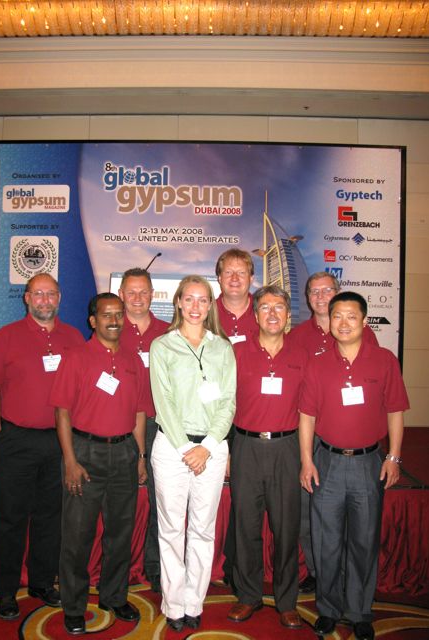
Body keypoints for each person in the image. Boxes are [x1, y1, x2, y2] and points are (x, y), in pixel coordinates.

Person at [299, 292, 409, 640]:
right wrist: (306, 460)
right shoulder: (317, 364)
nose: (343, 323)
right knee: (326, 541)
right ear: (329, 321)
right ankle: (329, 609)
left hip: (368, 464)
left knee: (364, 540)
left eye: (351, 316)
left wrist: (393, 456)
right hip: (327, 462)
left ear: (364, 320)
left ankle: (360, 610)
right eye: (337, 316)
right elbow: (307, 417)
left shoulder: (384, 360)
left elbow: (395, 411)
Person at [0, 273, 85, 620]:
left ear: (59, 297)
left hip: (59, 441)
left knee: (51, 517)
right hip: (15, 441)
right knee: (10, 518)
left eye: (50, 294)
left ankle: (41, 582)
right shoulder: (6, 337)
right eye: (37, 294)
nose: (44, 300)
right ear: (26, 298)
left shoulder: (73, 338)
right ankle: (7, 590)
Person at [50, 293, 147, 635]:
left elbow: (140, 411)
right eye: (107, 315)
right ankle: (74, 606)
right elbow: (62, 412)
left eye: (119, 314)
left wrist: (139, 456)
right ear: (93, 321)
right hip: (85, 454)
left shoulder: (133, 359)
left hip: (124, 454)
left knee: (120, 533)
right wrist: (70, 461)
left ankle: (113, 596)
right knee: (78, 535)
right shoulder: (76, 357)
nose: (114, 320)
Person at [149, 275, 236, 632]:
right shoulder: (162, 346)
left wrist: (207, 447)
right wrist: (188, 449)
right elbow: (163, 401)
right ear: (179, 303)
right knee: (171, 529)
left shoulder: (222, 348)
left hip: (212, 449)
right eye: (190, 299)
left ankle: (193, 601)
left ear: (210, 305)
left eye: (203, 300)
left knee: (202, 529)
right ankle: (173, 604)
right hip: (172, 448)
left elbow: (228, 403)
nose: (196, 306)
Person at [288, 271, 378, 593]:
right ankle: (318, 570)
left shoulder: (364, 335)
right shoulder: (297, 336)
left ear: (338, 292)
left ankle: (348, 577)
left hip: (349, 438)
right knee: (307, 510)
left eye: (327, 290)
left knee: (353, 515)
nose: (320, 296)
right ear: (307, 298)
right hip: (310, 434)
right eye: (314, 291)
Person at [227, 285, 307, 630]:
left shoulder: (303, 355)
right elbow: (224, 404)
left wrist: (306, 457)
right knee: (245, 525)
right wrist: (226, 449)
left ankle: (287, 601)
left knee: (286, 529)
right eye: (265, 308)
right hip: (245, 447)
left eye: (279, 308)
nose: (272, 313)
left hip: (287, 449)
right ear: (255, 314)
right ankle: (248, 595)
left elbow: (310, 410)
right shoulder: (236, 352)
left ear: (288, 315)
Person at [118, 267, 169, 592]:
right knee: (120, 503)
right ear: (121, 294)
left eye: (143, 292)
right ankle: (117, 570)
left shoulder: (168, 332)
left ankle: (155, 566)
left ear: (152, 295)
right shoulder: (111, 330)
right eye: (131, 292)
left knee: (161, 502)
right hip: (120, 428)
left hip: (162, 428)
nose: (137, 298)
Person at [215, 248, 259, 589]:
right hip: (211, 416)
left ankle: (236, 566)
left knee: (245, 500)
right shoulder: (204, 312)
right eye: (228, 272)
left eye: (241, 272)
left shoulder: (265, 311)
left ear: (251, 278)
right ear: (218, 278)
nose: (234, 278)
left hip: (252, 419)